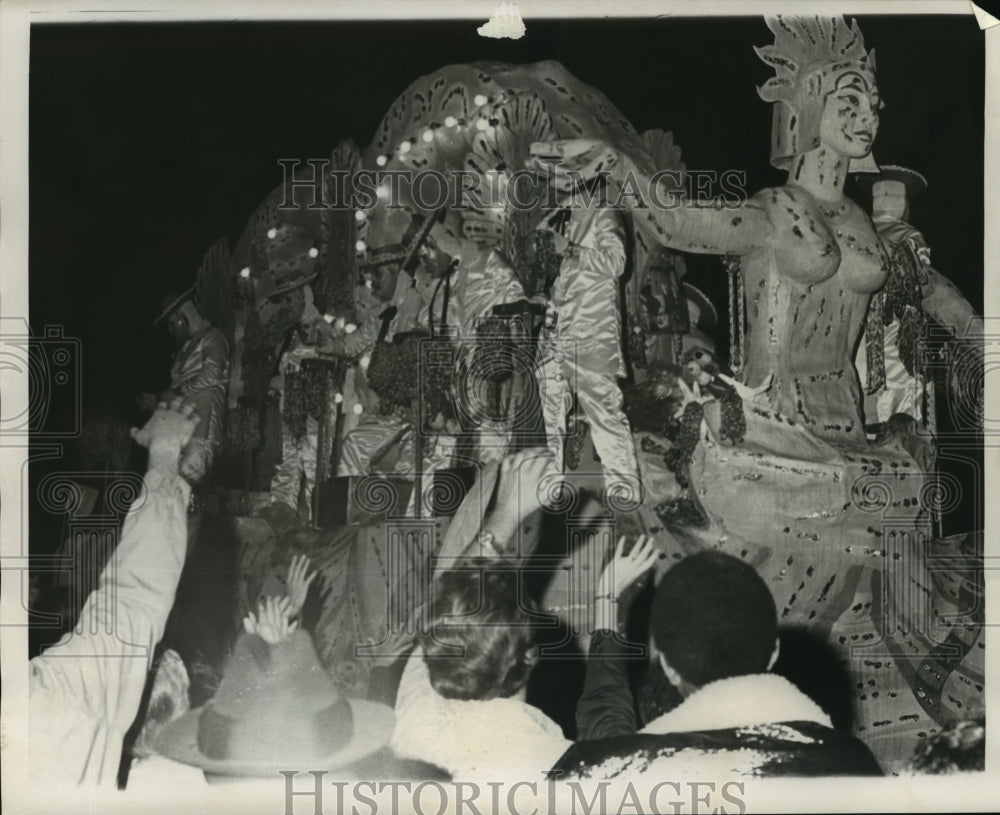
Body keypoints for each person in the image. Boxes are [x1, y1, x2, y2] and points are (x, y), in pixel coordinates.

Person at [530, 16, 986, 768]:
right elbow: (676, 219)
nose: (869, 112)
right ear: (807, 104)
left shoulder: (870, 226)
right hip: (782, 431)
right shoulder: (772, 213)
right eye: (850, 96)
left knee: (898, 499)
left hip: (854, 434)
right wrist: (616, 162)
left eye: (873, 98)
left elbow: (936, 295)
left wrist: (981, 337)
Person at [555, 539, 883, 779]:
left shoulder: (608, 774)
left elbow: (609, 741)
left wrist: (606, 601)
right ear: (774, 654)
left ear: (668, 668)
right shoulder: (856, 768)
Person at [29, 398, 199, 786]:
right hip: (102, 595)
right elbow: (130, 604)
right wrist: (163, 457)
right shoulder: (51, 703)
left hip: (94, 594)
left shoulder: (83, 494)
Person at [390, 448, 572, 779]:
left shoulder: (416, 717)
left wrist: (505, 514)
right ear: (531, 655)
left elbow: (451, 610)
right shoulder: (550, 761)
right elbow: (450, 613)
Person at [534, 186, 641, 504]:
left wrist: (568, 250)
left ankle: (624, 494)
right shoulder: (562, 219)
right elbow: (561, 275)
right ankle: (548, 490)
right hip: (557, 331)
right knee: (548, 410)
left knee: (603, 411)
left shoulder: (603, 213)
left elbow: (616, 263)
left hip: (592, 332)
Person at [152, 291, 230, 484]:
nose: (170, 330)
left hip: (201, 432)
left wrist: (176, 392)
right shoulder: (184, 349)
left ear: (182, 316)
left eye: (172, 324)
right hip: (182, 430)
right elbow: (176, 387)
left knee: (190, 488)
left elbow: (212, 375)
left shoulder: (213, 338)